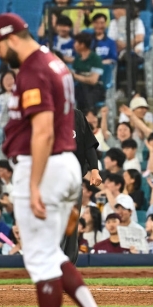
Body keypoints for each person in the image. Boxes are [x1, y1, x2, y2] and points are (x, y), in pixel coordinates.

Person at [0, 13, 116, 307]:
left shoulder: (33, 70)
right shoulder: (55, 63)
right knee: (50, 255)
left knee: (39, 257)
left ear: (10, 38)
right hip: (65, 165)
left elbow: (41, 130)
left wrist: (34, 184)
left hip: (46, 165)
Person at [61, 108, 102, 264]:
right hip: (52, 180)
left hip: (74, 179)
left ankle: (68, 268)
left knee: (71, 226)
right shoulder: (43, 114)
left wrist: (94, 170)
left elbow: (88, 144)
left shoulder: (76, 115)